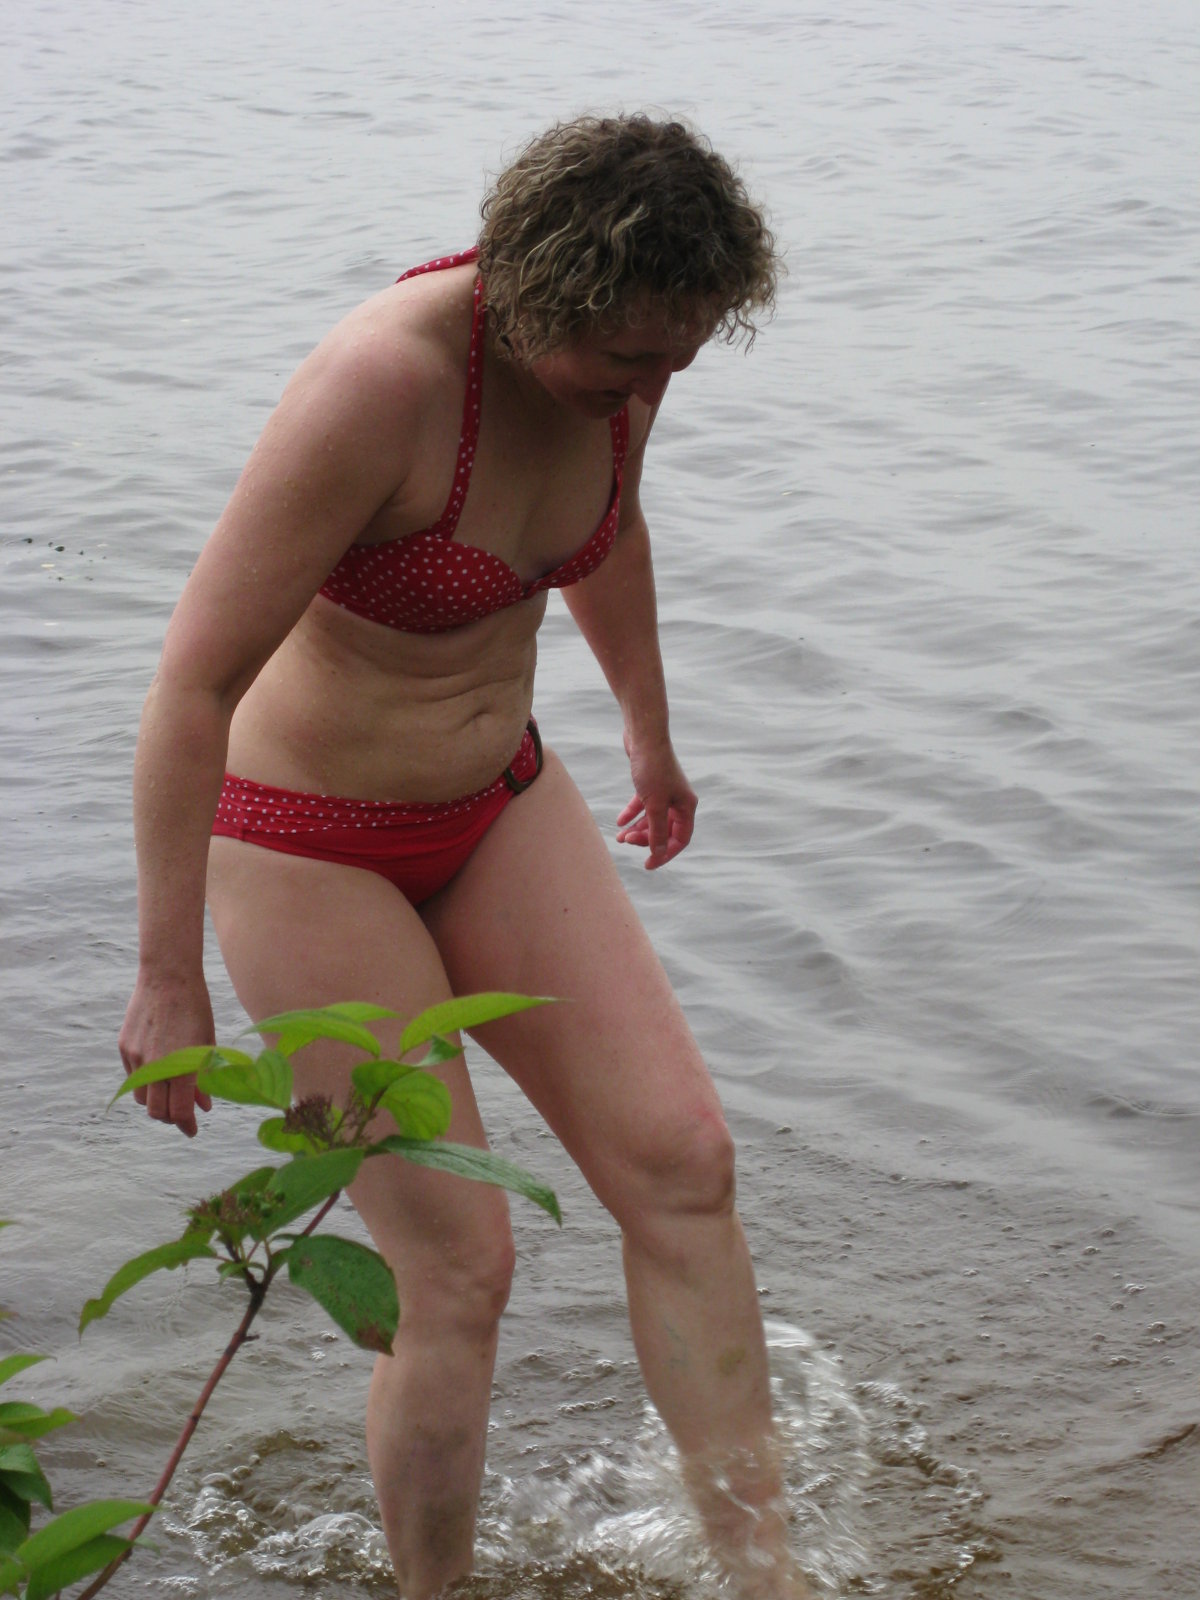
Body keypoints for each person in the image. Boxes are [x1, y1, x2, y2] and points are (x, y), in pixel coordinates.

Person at [119, 114, 807, 1599]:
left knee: (685, 1164)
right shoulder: (382, 385)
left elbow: (609, 535)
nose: (653, 390)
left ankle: (770, 1580)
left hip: (499, 800)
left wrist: (649, 736)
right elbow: (191, 684)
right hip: (306, 844)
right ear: (538, 293)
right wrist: (167, 974)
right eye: (628, 361)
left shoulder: (622, 371)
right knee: (459, 1268)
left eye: (679, 358)